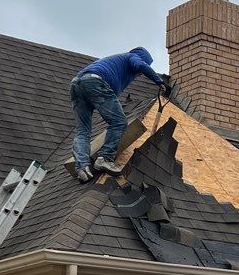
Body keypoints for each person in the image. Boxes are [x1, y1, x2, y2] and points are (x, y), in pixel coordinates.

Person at [70, 47, 167, 183]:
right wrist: (160, 82)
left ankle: (82, 168)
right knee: (119, 122)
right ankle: (105, 158)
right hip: (95, 82)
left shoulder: (116, 63)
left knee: (83, 131)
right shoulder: (131, 57)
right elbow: (140, 65)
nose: (139, 74)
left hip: (76, 84)